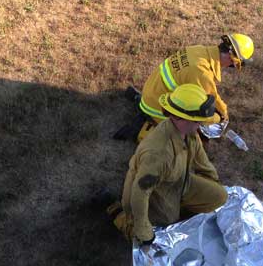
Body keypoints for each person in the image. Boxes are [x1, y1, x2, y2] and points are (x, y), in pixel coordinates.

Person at [109, 84, 228, 243]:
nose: (202, 123)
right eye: (198, 120)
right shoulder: (158, 154)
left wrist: (213, 181)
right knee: (159, 231)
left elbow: (201, 161)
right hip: (155, 194)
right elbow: (140, 192)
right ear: (183, 118)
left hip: (179, 182)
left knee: (219, 196)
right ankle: (117, 212)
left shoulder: (188, 132)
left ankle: (178, 208)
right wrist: (143, 231)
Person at [114, 33, 254, 142]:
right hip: (157, 107)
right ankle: (142, 131)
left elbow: (210, 92)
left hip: (151, 92)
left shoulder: (199, 51)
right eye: (237, 64)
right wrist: (220, 117)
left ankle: (141, 104)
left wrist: (223, 109)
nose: (234, 67)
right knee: (188, 138)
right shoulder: (201, 72)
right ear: (232, 59)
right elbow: (207, 102)